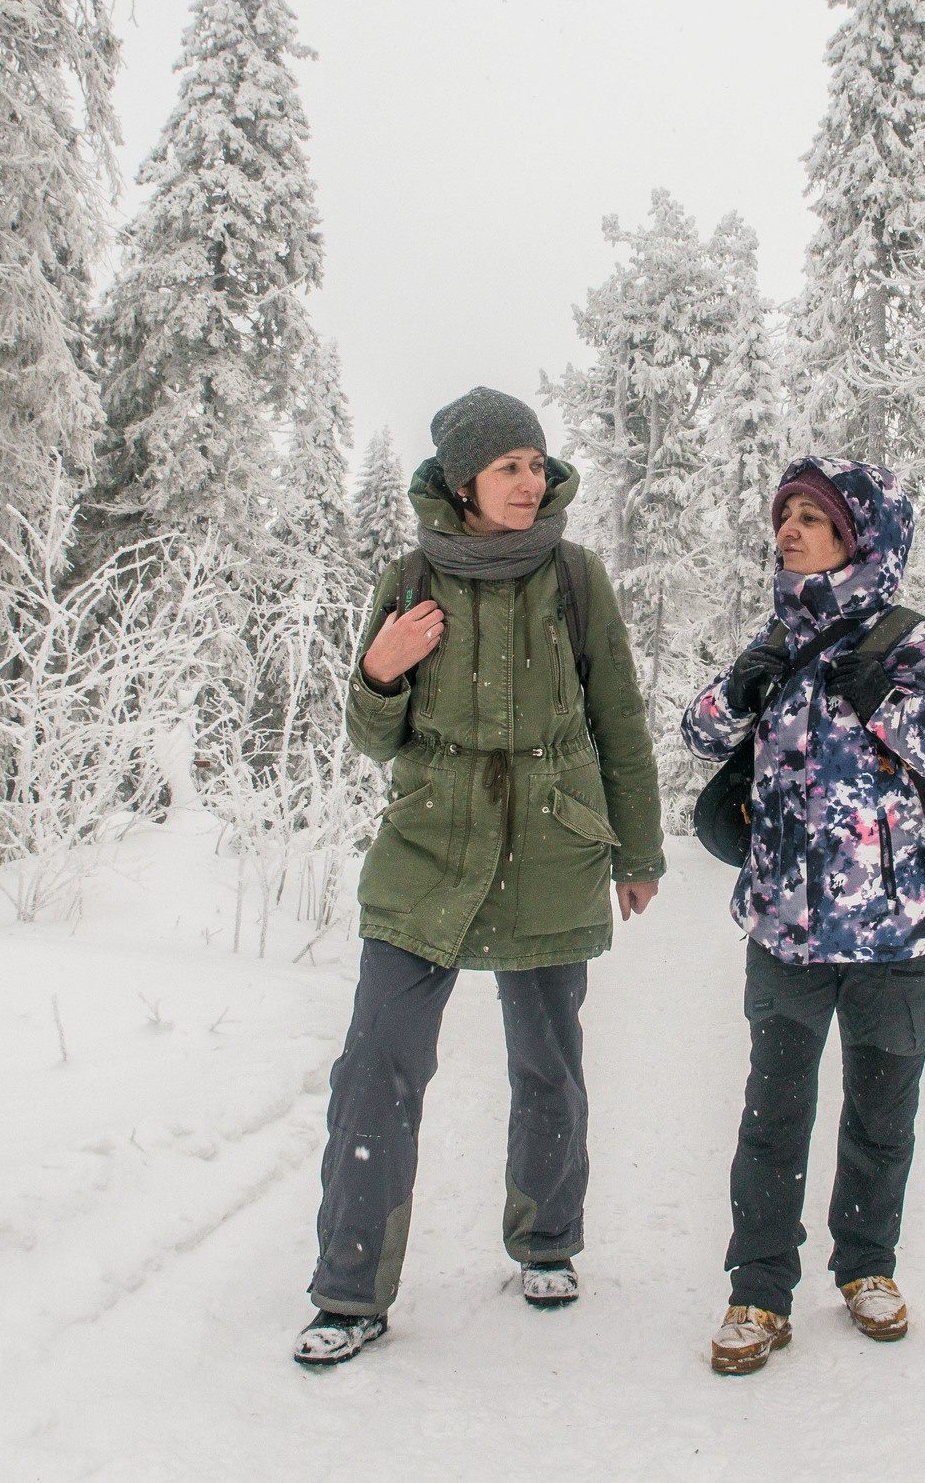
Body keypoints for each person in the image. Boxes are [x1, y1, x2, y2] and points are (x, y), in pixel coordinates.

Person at [293, 387, 665, 1368]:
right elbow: (371, 738)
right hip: (428, 849)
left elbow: (618, 716)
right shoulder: (409, 576)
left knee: (547, 1059)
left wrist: (638, 850)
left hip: (551, 842)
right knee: (378, 1064)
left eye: (536, 464)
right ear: (462, 482)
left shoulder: (575, 576)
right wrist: (377, 671)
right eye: (508, 465)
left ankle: (547, 1239)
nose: (528, 479)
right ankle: (348, 1288)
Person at [681, 456, 925, 1376]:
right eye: (783, 514)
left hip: (902, 935)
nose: (787, 530)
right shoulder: (776, 640)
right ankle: (758, 1289)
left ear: (859, 538)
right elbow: (701, 733)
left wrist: (887, 702)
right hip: (788, 929)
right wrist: (739, 689)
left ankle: (868, 1267)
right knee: (772, 1118)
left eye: (811, 519)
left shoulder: (918, 644)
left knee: (882, 1115)